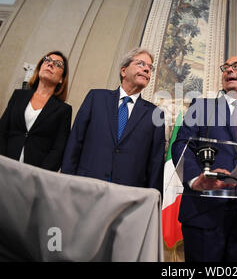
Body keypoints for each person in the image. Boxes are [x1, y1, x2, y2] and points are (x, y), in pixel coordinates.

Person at [171, 56, 237, 262]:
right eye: (226, 67)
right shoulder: (202, 107)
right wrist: (196, 180)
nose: (229, 70)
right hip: (203, 213)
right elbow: (181, 145)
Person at [61, 48, 165, 192]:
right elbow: (75, 142)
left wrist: (153, 199)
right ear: (124, 71)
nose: (147, 69)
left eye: (150, 67)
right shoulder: (96, 98)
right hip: (85, 187)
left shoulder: (156, 114)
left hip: (127, 196)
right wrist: (66, 182)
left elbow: (155, 163)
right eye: (141, 64)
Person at [0, 51, 72, 171]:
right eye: (47, 60)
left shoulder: (64, 110)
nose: (50, 64)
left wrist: (38, 176)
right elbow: (2, 131)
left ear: (61, 79)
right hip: (4, 166)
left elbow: (58, 150)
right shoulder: (18, 95)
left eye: (58, 64)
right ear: (39, 69)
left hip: (34, 175)